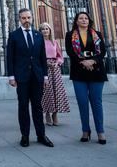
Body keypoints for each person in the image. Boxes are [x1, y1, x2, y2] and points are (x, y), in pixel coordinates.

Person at [6, 8, 54, 148]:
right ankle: (25, 136)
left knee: (38, 107)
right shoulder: (14, 35)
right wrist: (11, 76)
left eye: (28, 18)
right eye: (23, 18)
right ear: (19, 19)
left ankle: (41, 135)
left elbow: (42, 58)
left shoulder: (38, 35)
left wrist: (45, 76)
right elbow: (10, 58)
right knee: (23, 107)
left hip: (37, 76)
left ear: (32, 18)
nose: (26, 20)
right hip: (21, 77)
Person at [65, 11, 108, 145]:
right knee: (82, 103)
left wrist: (92, 61)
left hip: (96, 71)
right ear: (76, 21)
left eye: (86, 18)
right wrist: (83, 62)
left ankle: (100, 131)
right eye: (81, 18)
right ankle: (85, 130)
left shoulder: (97, 34)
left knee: (97, 102)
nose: (84, 20)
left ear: (89, 21)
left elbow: (103, 51)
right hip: (79, 72)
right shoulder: (69, 35)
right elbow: (70, 52)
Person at [39, 22, 70, 126]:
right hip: (44, 68)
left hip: (55, 69)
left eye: (47, 29)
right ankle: (47, 113)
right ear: (40, 31)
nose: (45, 31)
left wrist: (57, 63)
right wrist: (45, 63)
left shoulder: (54, 42)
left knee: (57, 91)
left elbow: (60, 56)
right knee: (46, 91)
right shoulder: (39, 42)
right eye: (43, 29)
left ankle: (55, 114)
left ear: (50, 30)